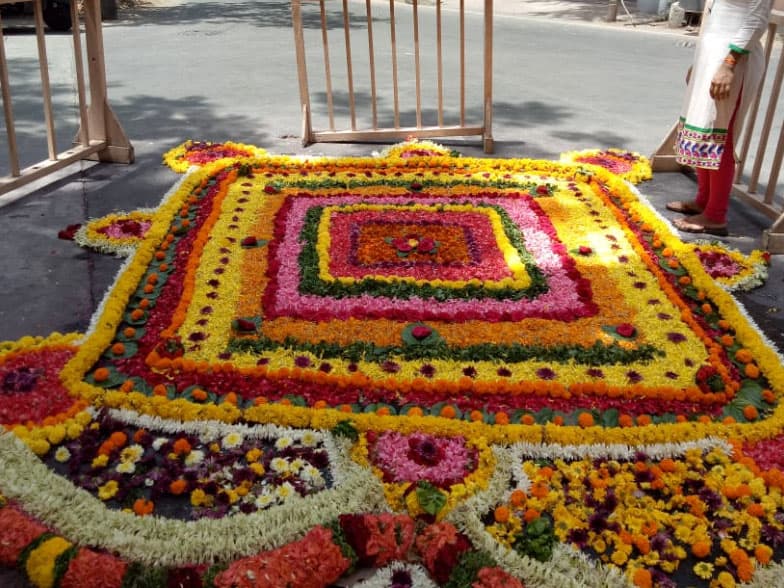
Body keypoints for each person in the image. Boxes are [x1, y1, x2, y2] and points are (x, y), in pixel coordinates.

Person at [667, 0, 772, 236]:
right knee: (703, 129)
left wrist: (728, 65)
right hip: (713, 56)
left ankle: (715, 215)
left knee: (719, 135)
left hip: (732, 61)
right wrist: (698, 63)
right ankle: (704, 200)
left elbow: (756, 21)